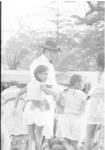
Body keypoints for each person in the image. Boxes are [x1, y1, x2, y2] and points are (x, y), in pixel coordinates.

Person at [14, 65, 58, 150]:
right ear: (38, 74)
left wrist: (15, 107)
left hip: (29, 108)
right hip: (38, 109)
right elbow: (53, 93)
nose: (47, 76)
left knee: (30, 134)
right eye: (45, 74)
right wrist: (53, 98)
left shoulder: (30, 84)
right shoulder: (41, 85)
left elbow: (18, 94)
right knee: (39, 134)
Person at [56, 74, 87, 150]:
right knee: (75, 142)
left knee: (65, 140)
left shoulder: (64, 92)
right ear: (77, 83)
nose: (83, 85)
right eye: (82, 83)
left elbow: (58, 103)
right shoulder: (83, 94)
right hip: (76, 119)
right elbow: (83, 109)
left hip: (64, 118)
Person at [84, 51, 104, 150]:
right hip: (103, 101)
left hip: (92, 102)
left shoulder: (91, 75)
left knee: (89, 134)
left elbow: (87, 90)